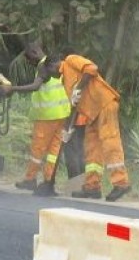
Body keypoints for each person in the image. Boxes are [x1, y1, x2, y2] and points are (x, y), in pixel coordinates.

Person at [54, 50, 132, 202]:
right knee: (92, 149)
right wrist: (67, 129)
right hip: (92, 113)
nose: (49, 77)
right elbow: (75, 105)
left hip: (104, 104)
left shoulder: (71, 60)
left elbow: (92, 69)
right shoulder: (64, 82)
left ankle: (121, 182)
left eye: (48, 73)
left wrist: (79, 87)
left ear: (53, 65)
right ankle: (92, 187)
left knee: (110, 143)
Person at [0, 43, 73, 196]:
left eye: (29, 59)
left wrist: (12, 89)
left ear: (34, 53)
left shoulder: (43, 67)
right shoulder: (56, 65)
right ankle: (48, 182)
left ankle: (30, 179)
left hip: (47, 117)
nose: (30, 63)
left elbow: (35, 86)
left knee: (38, 150)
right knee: (54, 151)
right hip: (62, 114)